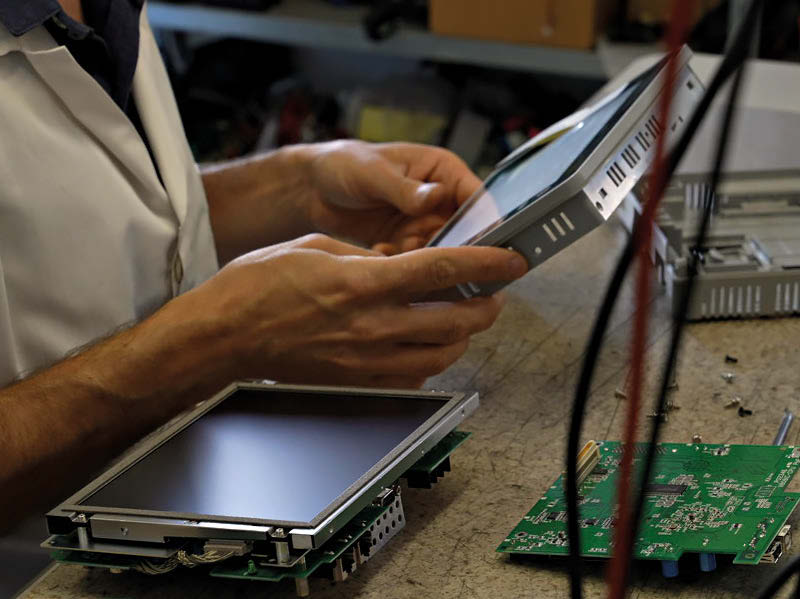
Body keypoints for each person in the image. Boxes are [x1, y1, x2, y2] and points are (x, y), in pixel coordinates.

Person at [0, 0, 526, 539]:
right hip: (45, 563)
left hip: (199, 488)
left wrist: (297, 184)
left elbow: (99, 213)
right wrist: (207, 348)